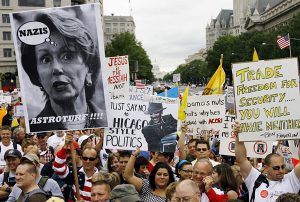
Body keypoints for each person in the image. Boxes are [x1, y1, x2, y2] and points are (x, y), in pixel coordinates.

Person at [18, 8, 107, 132]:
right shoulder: (33, 130)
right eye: (45, 59)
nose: (56, 68)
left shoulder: (110, 121)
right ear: (37, 74)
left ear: (89, 67)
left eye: (67, 56)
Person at [234, 122, 300, 202]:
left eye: (283, 167)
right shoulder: (255, 178)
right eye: (276, 168)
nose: (281, 171)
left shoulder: (291, 179)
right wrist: (239, 138)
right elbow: (241, 160)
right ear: (266, 168)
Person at [53, 132, 99, 201]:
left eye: (91, 159)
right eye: (85, 158)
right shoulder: (75, 174)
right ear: (81, 158)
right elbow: (57, 167)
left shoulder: (101, 178)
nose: (87, 161)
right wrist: (65, 146)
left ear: (96, 160)